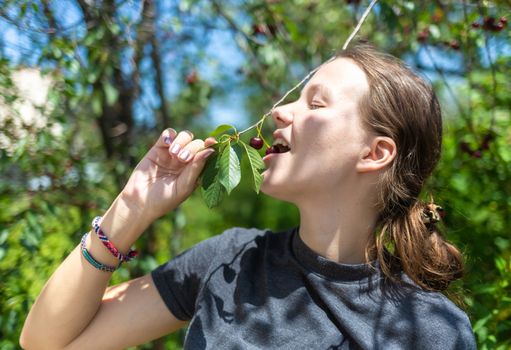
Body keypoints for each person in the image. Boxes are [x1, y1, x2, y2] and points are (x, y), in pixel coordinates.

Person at [20, 43, 476, 349]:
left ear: (374, 153)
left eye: (315, 103)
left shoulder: (429, 328)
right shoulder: (230, 260)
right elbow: (44, 342)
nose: (278, 111)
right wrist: (131, 209)